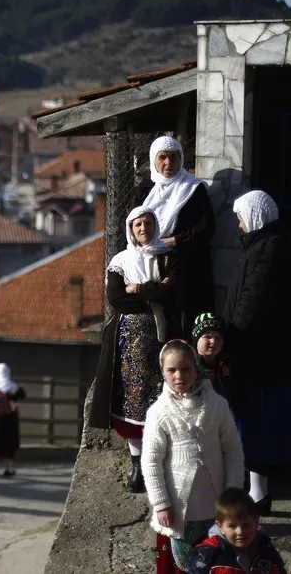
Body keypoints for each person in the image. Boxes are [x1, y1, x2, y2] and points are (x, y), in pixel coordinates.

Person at [222, 190, 291, 514]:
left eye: (242, 217)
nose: (239, 224)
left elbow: (250, 305)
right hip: (270, 352)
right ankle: (259, 487)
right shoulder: (270, 246)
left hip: (261, 355)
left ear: (255, 216)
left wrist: (228, 339)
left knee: (256, 421)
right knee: (263, 421)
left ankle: (259, 495)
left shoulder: (268, 252)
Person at [90, 205, 182, 493]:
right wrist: (153, 290)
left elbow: (171, 293)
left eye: (148, 223)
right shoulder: (120, 261)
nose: (143, 228)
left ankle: (160, 463)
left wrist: (138, 289)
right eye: (137, 224)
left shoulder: (169, 258)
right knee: (132, 399)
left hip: (163, 336)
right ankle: (138, 465)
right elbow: (116, 300)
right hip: (128, 341)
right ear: (130, 230)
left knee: (161, 397)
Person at [143, 339, 244, 574]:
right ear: (163, 373)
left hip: (215, 508)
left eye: (186, 369)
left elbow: (233, 450)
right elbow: (151, 461)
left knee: (216, 563)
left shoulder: (217, 405)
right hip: (177, 513)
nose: (180, 376)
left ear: (196, 369)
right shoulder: (159, 413)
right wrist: (161, 503)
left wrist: (233, 492)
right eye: (172, 370)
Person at [142, 135, 216, 336]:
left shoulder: (192, 188)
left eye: (174, 157)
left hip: (187, 267)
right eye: (162, 157)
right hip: (151, 266)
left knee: (185, 324)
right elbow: (133, 224)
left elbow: (206, 227)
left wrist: (174, 241)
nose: (168, 163)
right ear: (153, 160)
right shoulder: (146, 190)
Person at [188, 488, 287, 574]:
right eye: (232, 526)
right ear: (220, 526)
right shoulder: (208, 555)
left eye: (246, 525)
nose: (240, 531)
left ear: (256, 522)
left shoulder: (265, 547)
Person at [192, 313, 233, 403]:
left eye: (218, 338)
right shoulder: (190, 366)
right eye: (207, 337)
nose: (213, 341)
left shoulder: (228, 363)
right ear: (196, 340)